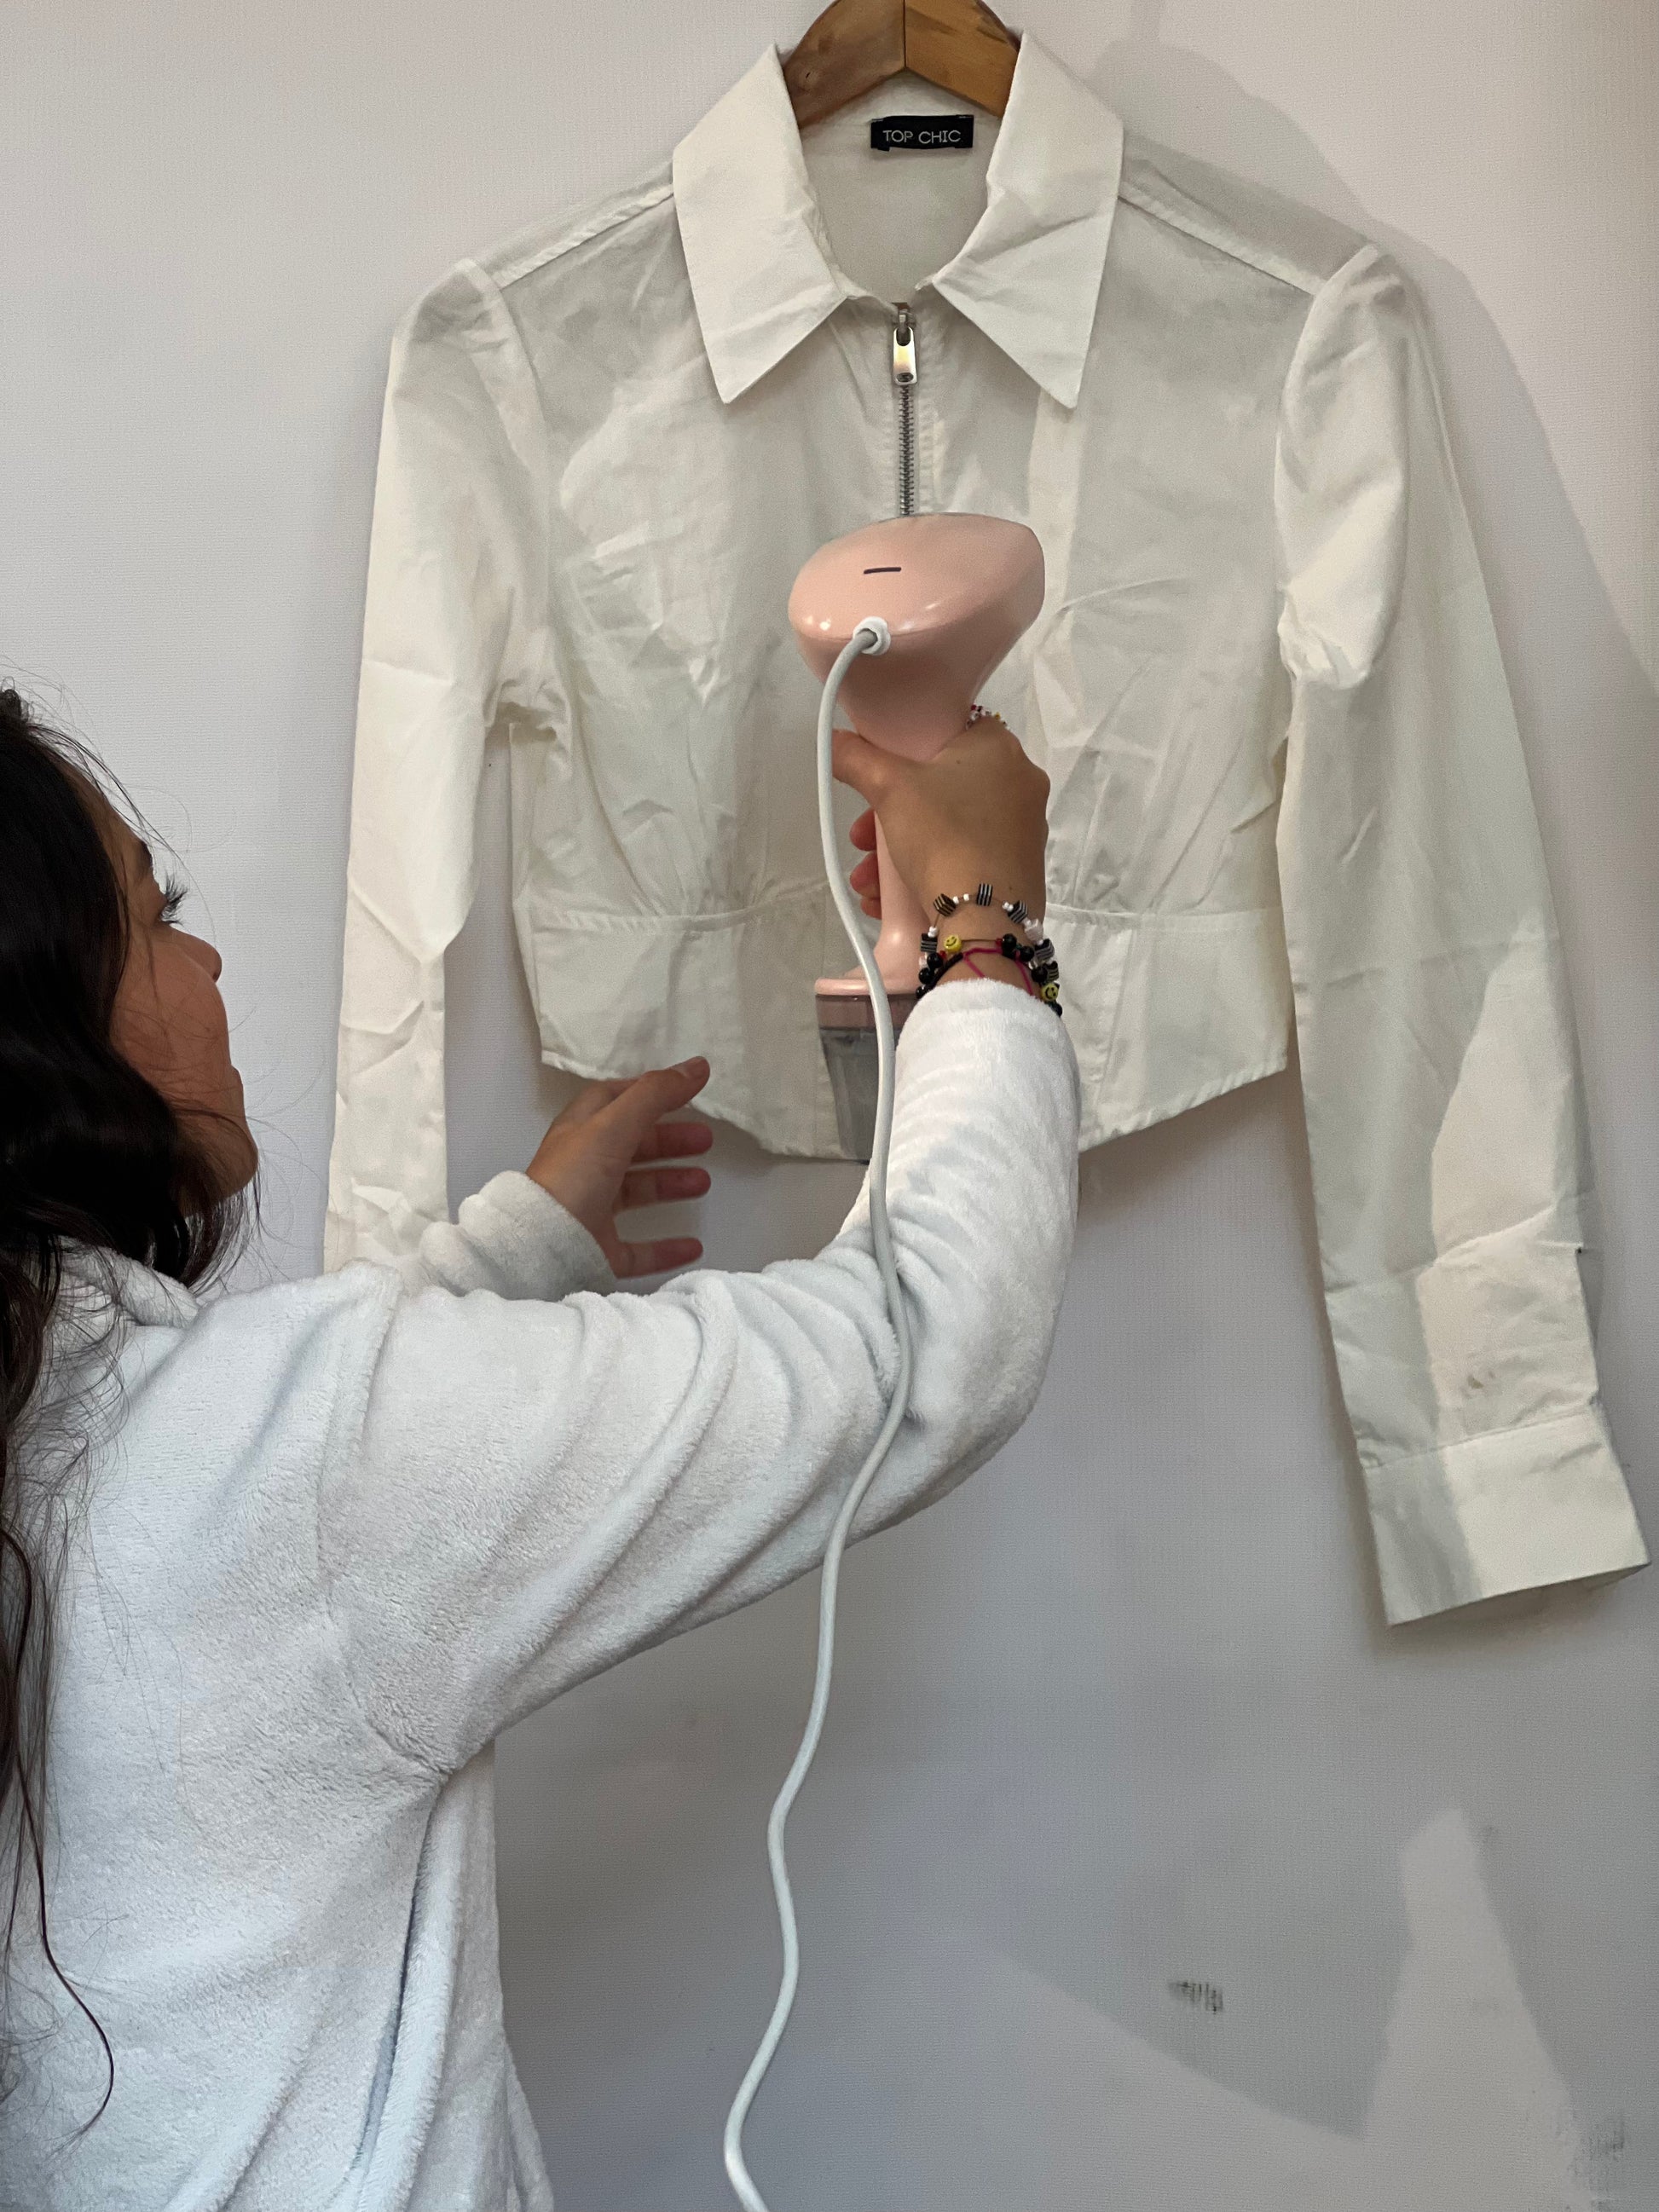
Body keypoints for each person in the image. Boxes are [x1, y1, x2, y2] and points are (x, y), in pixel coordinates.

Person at [0, 680, 1078, 2210]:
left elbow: (270, 1504)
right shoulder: (280, 1466)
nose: (206, 954)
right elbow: (925, 1346)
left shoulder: (79, 1419)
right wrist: (986, 932)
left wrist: (515, 1253)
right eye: (155, 914)